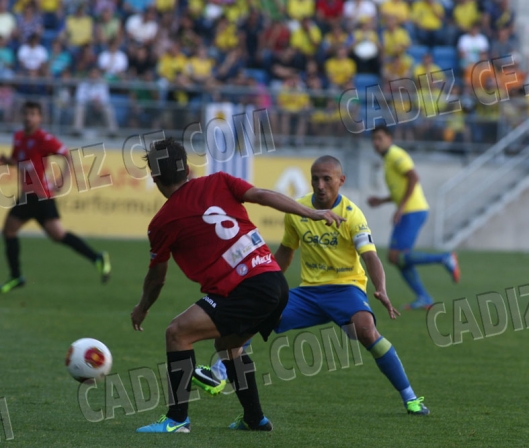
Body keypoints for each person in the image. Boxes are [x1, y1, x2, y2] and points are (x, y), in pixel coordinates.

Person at [132, 138, 344, 433]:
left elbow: (157, 278)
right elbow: (261, 194)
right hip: (274, 281)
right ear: (189, 169)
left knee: (177, 333)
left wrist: (142, 308)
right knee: (228, 344)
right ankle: (255, 419)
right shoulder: (219, 180)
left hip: (247, 289)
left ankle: (177, 420)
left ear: (154, 177)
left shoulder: (162, 223)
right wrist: (311, 212)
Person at [194, 155, 431, 416]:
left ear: (341, 181)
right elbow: (285, 252)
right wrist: (260, 285)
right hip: (308, 294)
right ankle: (219, 373)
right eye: (315, 178)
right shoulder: (298, 211)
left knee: (365, 329)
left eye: (327, 179)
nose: (320, 185)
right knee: (256, 314)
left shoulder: (352, 215)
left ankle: (410, 398)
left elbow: (370, 256)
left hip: (346, 289)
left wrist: (381, 288)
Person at [0, 101, 111, 293]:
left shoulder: (44, 138)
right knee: (57, 235)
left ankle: (16, 275)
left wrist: (62, 180)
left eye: (33, 114)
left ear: (40, 118)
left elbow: (67, 155)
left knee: (10, 231)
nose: (29, 117)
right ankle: (97, 257)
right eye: (26, 113)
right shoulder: (18, 137)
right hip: (30, 195)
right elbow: (19, 161)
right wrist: (6, 161)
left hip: (39, 195)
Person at [367, 125, 460, 310]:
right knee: (397, 259)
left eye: (380, 138)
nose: (376, 143)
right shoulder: (388, 159)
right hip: (411, 210)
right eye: (374, 139)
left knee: (395, 256)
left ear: (389, 139)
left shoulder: (395, 154)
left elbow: (413, 177)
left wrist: (400, 208)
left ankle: (445, 258)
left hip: (413, 210)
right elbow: (401, 188)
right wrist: (382, 200)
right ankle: (424, 298)